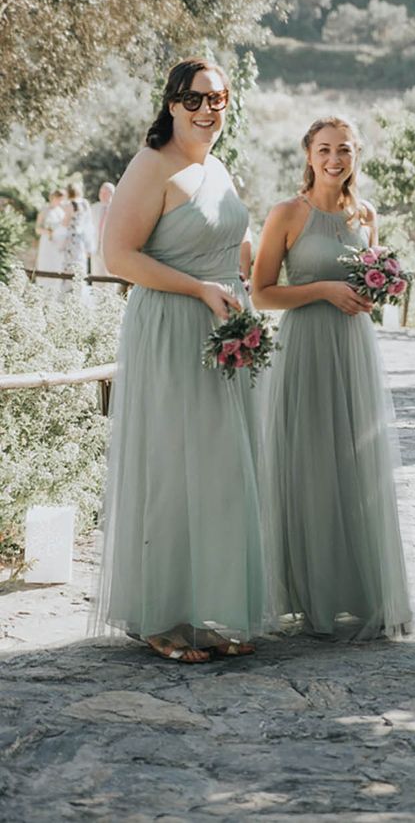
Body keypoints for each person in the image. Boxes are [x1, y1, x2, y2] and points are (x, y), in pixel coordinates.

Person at [96, 57, 264, 663]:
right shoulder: (153, 164)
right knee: (171, 464)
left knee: (216, 469)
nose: (207, 111)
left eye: (218, 100)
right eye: (195, 99)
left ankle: (201, 609)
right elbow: (118, 255)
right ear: (171, 103)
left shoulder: (216, 166)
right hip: (169, 326)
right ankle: (158, 616)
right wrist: (197, 289)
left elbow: (232, 246)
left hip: (221, 329)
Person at [252, 115, 415, 640]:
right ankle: (301, 593)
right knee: (303, 462)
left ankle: (356, 591)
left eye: (344, 150)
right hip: (302, 347)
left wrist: (376, 292)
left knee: (354, 465)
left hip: (352, 350)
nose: (334, 159)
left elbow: (373, 281)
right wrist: (323, 290)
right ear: (308, 154)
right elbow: (261, 293)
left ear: (355, 156)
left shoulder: (366, 216)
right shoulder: (286, 214)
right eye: (324, 149)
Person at [61, 181, 94, 296]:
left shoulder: (70, 205)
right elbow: (89, 224)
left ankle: (68, 293)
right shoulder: (85, 204)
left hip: (71, 238)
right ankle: (79, 291)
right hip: (82, 239)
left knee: (70, 264)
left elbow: (65, 223)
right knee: (80, 264)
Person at [34, 189, 67, 292]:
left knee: (57, 266)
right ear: (53, 198)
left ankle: (55, 291)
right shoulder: (44, 210)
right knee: (45, 265)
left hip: (58, 243)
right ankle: (42, 290)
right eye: (59, 199)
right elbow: (37, 229)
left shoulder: (62, 212)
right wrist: (48, 232)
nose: (60, 201)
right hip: (47, 242)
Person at [90, 182, 115, 277]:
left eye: (106, 192)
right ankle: (97, 292)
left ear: (112, 194)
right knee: (96, 275)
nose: (103, 195)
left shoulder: (117, 208)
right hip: (96, 246)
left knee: (110, 277)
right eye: (101, 192)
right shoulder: (93, 208)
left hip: (110, 248)